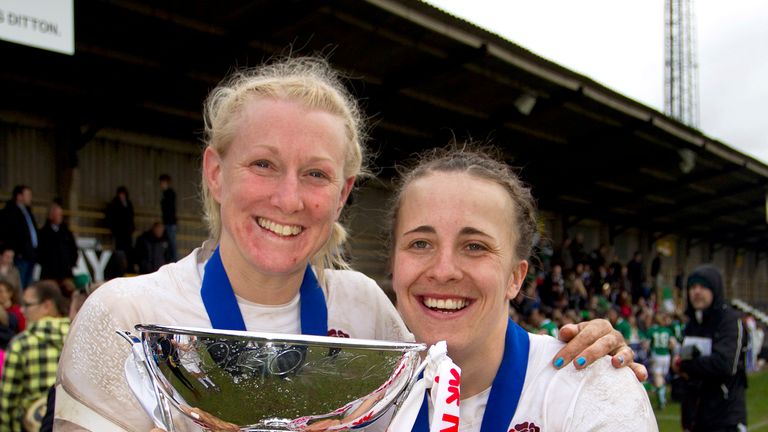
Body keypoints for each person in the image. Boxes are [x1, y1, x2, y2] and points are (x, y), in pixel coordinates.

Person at [56, 58, 639, 432]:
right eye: (263, 164)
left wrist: (596, 351)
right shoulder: (125, 317)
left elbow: (469, 363)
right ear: (215, 172)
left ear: (342, 194)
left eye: (315, 174)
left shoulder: (365, 312)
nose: (288, 199)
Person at [388, 148, 656, 430]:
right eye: (420, 243)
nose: (443, 271)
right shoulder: (361, 400)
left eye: (475, 246)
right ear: (393, 265)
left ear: (516, 277)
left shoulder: (592, 389)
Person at [672, 264, 747, 432]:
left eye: (703, 286)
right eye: (692, 287)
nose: (696, 291)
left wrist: (685, 366)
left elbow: (724, 364)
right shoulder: (691, 324)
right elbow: (684, 361)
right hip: (695, 418)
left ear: (715, 289)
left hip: (725, 418)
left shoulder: (730, 321)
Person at [0, 280, 70, 432]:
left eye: (27, 305)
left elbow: (7, 403)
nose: (22, 310)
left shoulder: (21, 344)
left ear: (47, 306)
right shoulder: (76, 337)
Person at [0, 185, 39, 289]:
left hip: (31, 253)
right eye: (27, 195)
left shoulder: (28, 211)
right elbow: (7, 233)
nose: (30, 197)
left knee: (28, 284)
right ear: (19, 196)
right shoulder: (9, 212)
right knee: (19, 283)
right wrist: (12, 249)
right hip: (20, 255)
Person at [37, 201, 79, 288]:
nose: (60, 217)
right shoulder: (43, 233)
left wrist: (71, 263)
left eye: (60, 214)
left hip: (66, 272)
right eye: (57, 214)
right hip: (49, 273)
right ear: (50, 215)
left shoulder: (67, 232)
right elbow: (40, 252)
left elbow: (73, 249)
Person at [106, 185, 136, 272]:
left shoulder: (128, 203)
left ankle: (130, 269)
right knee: (120, 252)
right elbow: (112, 217)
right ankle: (120, 269)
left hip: (128, 232)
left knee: (129, 252)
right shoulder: (114, 203)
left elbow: (131, 216)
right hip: (119, 232)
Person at [158, 174, 178, 261]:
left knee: (171, 243)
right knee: (167, 243)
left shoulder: (170, 194)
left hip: (170, 222)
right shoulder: (165, 194)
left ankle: (174, 260)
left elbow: (170, 210)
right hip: (167, 222)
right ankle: (169, 259)